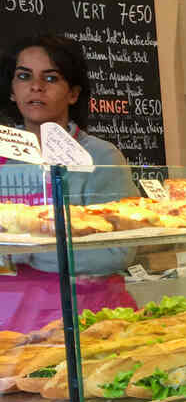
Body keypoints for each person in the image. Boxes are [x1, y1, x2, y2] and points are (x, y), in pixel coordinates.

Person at [0, 34, 138, 332]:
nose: (36, 87)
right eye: (24, 76)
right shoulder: (2, 152)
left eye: (51, 78)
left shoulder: (100, 156)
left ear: (73, 93)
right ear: (12, 90)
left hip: (87, 318)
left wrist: (33, 250)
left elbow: (119, 250)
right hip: (9, 321)